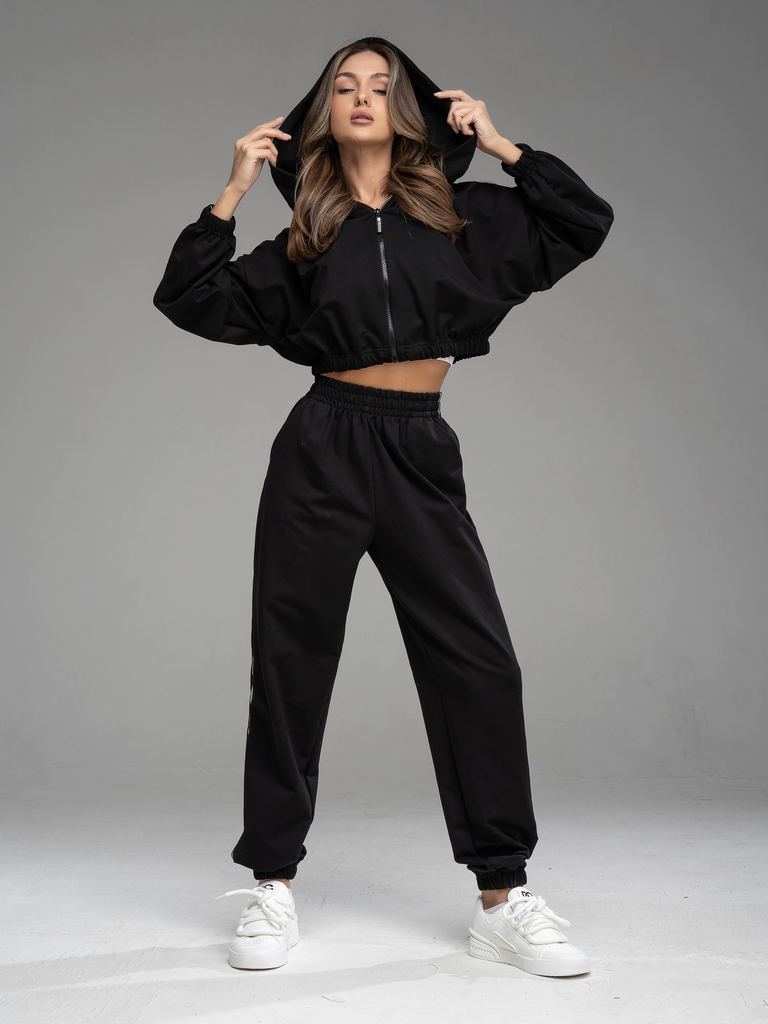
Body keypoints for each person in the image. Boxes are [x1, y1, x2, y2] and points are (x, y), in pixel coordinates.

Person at [152, 35, 614, 977]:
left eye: (380, 84)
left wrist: (502, 144)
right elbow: (189, 297)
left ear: (408, 108)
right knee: (290, 663)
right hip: (322, 446)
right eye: (344, 86)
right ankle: (272, 884)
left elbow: (582, 221)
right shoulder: (305, 239)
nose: (362, 96)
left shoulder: (463, 219)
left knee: (478, 662)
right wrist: (232, 190)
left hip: (419, 447)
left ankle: (503, 896)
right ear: (321, 112)